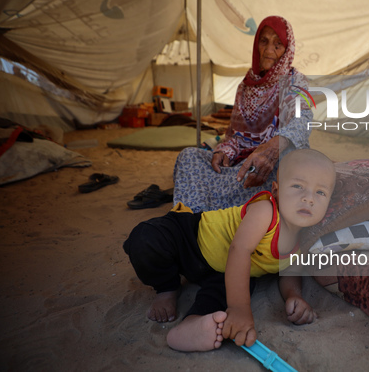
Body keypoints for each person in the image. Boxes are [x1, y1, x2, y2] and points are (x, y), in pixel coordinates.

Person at [123, 149, 336, 352]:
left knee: (231, 290)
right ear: (276, 191)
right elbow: (239, 250)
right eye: (298, 186)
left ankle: (192, 325)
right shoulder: (266, 211)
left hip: (223, 271)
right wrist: (240, 309)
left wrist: (294, 296)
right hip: (190, 238)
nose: (309, 198)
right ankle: (166, 287)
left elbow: (288, 272)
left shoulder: (305, 240)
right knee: (147, 238)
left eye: (320, 192)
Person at [172, 15, 313, 213]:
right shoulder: (245, 86)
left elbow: (302, 121)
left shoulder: (295, 81)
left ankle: (230, 207)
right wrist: (224, 151)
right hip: (243, 165)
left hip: (272, 164)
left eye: (278, 44)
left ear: (287, 50)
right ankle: (195, 218)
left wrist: (271, 150)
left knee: (287, 167)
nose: (269, 50)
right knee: (189, 157)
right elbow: (234, 136)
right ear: (257, 45)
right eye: (264, 41)